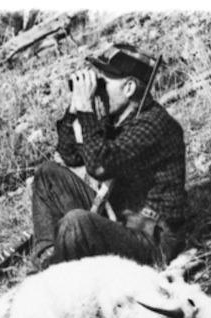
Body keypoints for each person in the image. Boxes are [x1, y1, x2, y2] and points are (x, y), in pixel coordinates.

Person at [30, 43, 187, 270]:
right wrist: (74, 110)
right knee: (48, 175)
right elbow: (69, 155)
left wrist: (87, 109)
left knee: (76, 222)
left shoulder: (155, 124)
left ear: (129, 87)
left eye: (103, 82)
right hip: (120, 220)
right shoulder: (118, 120)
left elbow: (99, 167)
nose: (98, 90)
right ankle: (49, 260)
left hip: (152, 241)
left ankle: (61, 275)